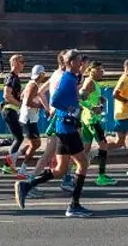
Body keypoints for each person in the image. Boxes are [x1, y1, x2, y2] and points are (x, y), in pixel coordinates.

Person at [14, 49, 93, 217]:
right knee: (83, 164)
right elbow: (56, 99)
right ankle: (74, 205)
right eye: (79, 61)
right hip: (68, 128)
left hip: (63, 127)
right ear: (71, 63)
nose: (81, 64)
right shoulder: (68, 78)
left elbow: (69, 98)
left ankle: (26, 186)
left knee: (60, 169)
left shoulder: (71, 78)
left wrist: (79, 100)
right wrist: (71, 109)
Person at [19, 64, 50, 166]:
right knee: (36, 144)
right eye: (43, 74)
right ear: (41, 74)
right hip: (29, 118)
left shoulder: (31, 83)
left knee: (32, 143)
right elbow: (28, 102)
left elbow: (22, 96)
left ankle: (13, 157)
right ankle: (23, 167)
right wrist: (39, 105)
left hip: (28, 117)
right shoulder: (34, 85)